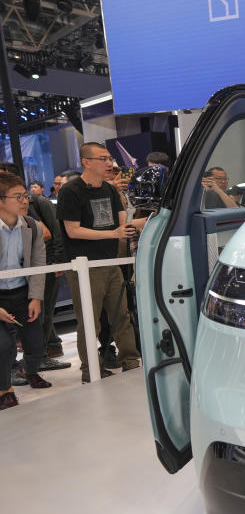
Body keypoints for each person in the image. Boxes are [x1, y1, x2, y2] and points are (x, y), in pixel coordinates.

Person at [56, 142, 142, 383]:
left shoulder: (110, 190)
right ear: (86, 162)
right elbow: (73, 231)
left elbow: (121, 221)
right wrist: (113, 234)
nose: (109, 163)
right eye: (102, 158)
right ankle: (90, 368)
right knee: (89, 321)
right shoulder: (71, 191)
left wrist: (129, 226)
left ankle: (130, 361)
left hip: (110, 262)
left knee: (122, 315)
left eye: (109, 158)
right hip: (84, 266)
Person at [0, 173, 52, 409]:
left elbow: (39, 263)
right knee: (4, 346)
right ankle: (5, 389)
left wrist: (36, 297)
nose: (25, 201)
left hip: (22, 291)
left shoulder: (31, 225)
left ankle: (30, 371)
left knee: (35, 342)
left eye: (25, 196)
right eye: (18, 197)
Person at [26, 179, 70, 370]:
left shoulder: (38, 202)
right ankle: (45, 351)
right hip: (28, 266)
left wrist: (59, 259)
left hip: (47, 262)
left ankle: (43, 353)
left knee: (44, 310)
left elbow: (53, 231)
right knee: (36, 312)